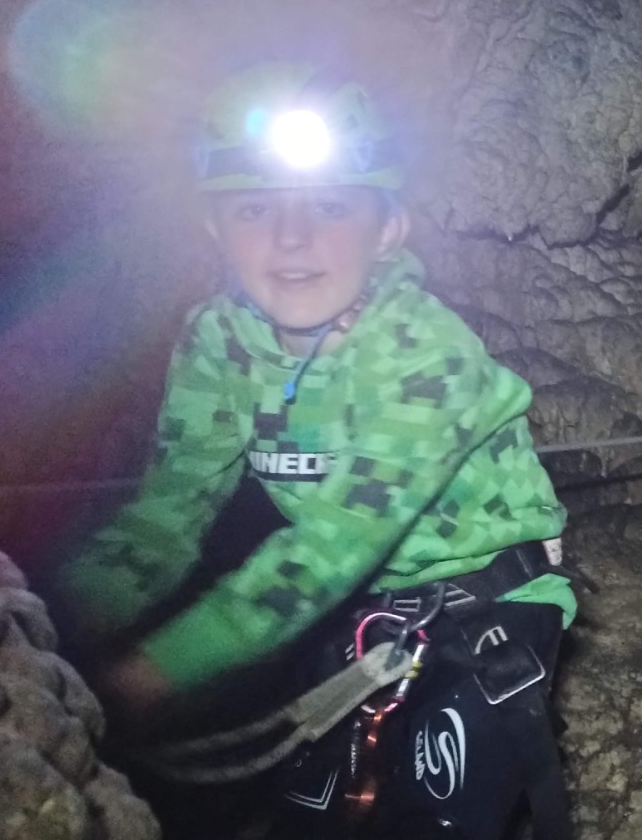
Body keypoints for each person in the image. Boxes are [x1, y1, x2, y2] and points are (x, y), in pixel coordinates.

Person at [53, 61, 577, 838]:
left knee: (439, 819)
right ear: (212, 227)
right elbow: (165, 519)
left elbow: (331, 548)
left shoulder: (425, 353)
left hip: (487, 605)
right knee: (307, 820)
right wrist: (48, 621)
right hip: (357, 608)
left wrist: (147, 675)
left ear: (388, 229)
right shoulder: (217, 341)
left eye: (331, 206)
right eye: (254, 208)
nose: (291, 236)